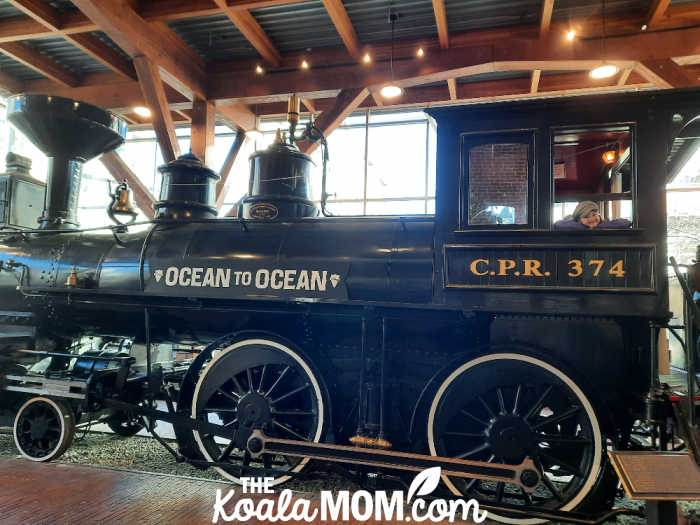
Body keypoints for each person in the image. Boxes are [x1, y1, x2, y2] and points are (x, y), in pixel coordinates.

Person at [554, 201, 631, 229]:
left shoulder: (601, 222)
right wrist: (584, 225)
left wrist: (597, 225)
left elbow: (626, 222)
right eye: (586, 216)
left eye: (594, 214)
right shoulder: (570, 221)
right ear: (579, 217)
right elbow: (558, 224)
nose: (592, 218)